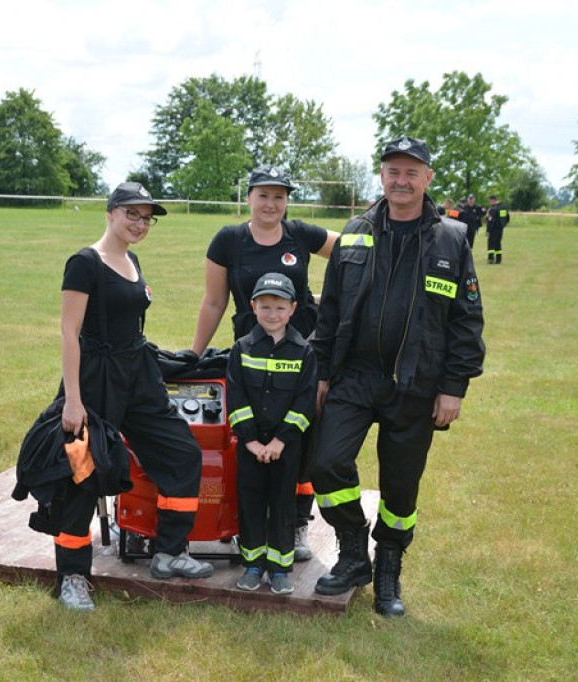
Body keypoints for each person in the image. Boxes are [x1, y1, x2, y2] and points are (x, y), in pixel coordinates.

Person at [309, 135, 486, 618]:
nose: (401, 180)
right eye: (393, 171)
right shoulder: (356, 230)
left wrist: (454, 387)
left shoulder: (451, 238)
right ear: (382, 176)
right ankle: (352, 554)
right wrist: (323, 373)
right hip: (355, 377)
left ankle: (388, 568)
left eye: (411, 172)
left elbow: (466, 319)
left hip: (416, 382)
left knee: (401, 489)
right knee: (325, 463)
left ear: (427, 178)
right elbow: (331, 312)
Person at [52, 182, 214, 610]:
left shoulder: (132, 260)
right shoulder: (84, 263)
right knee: (84, 473)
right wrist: (73, 400)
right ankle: (72, 576)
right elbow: (69, 333)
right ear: (110, 213)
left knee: (181, 452)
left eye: (147, 218)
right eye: (132, 214)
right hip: (96, 378)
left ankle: (168, 552)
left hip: (138, 374)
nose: (141, 224)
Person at [190, 165, 338, 562]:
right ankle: (247, 524)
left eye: (279, 196)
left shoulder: (301, 234)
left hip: (302, 353)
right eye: (263, 195)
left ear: (287, 200)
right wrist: (195, 354)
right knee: (250, 436)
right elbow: (215, 302)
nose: (271, 203)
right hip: (252, 356)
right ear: (249, 196)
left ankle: (297, 525)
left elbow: (352, 250)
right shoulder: (228, 240)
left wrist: (331, 301)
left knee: (301, 442)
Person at [226, 273, 317, 595]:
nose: (272, 314)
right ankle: (253, 565)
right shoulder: (242, 349)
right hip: (251, 447)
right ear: (253, 307)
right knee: (250, 502)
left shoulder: (303, 352)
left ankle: (279, 569)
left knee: (282, 506)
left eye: (279, 307)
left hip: (285, 447)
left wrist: (280, 441)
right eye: (265, 307)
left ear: (292, 309)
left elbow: (305, 404)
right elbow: (236, 400)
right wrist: (250, 441)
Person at [485, 194, 510, 264]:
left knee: (491, 244)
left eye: (490, 201)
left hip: (493, 229)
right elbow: (507, 218)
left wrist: (488, 230)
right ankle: (499, 259)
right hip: (500, 228)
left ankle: (491, 259)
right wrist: (503, 225)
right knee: (498, 243)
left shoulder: (493, 209)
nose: (489, 203)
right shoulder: (504, 207)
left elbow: (490, 221)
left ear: (493, 200)